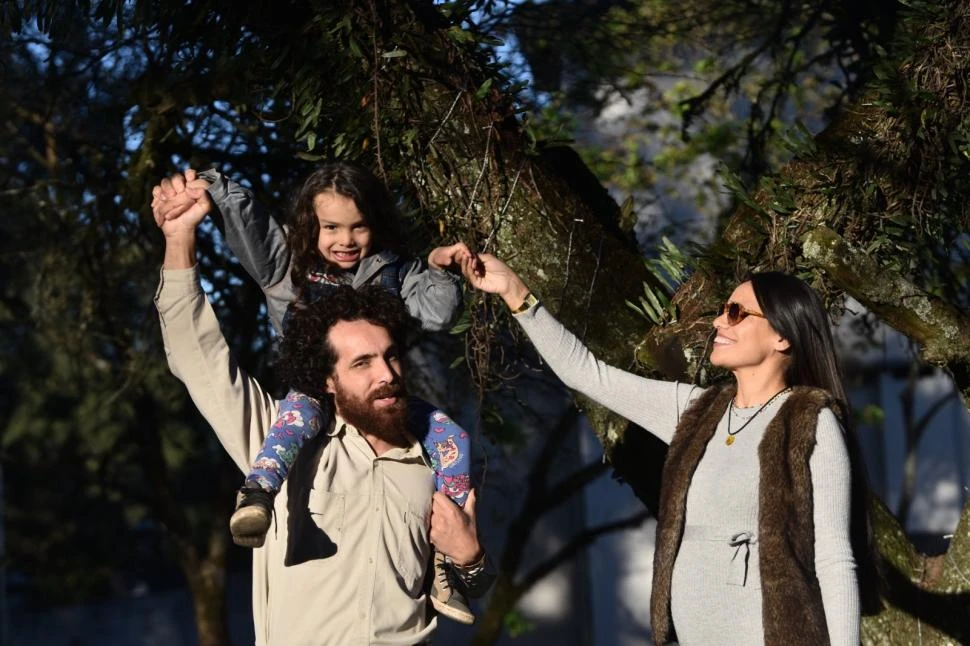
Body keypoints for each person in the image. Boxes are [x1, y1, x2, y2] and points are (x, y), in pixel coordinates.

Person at [461, 253, 879, 646]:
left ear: (782, 337)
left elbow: (835, 561)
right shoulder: (697, 411)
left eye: (736, 313)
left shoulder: (809, 421)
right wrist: (516, 292)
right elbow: (587, 373)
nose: (718, 321)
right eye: (722, 309)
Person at [153, 201, 493, 645]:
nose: (387, 374)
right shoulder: (277, 438)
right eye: (363, 363)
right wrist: (179, 240)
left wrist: (471, 556)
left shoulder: (434, 459)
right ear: (328, 379)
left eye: (390, 356)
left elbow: (476, 586)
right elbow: (198, 356)